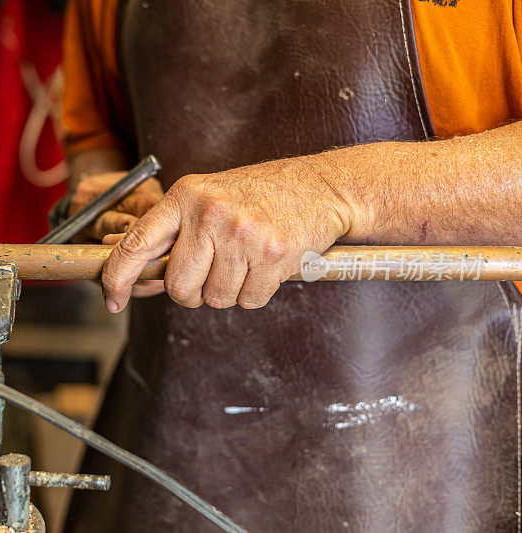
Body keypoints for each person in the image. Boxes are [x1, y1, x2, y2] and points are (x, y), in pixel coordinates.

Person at [60, 1, 522, 531]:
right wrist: (109, 203)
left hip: (445, 473)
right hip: (168, 449)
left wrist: (329, 192)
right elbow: (98, 143)